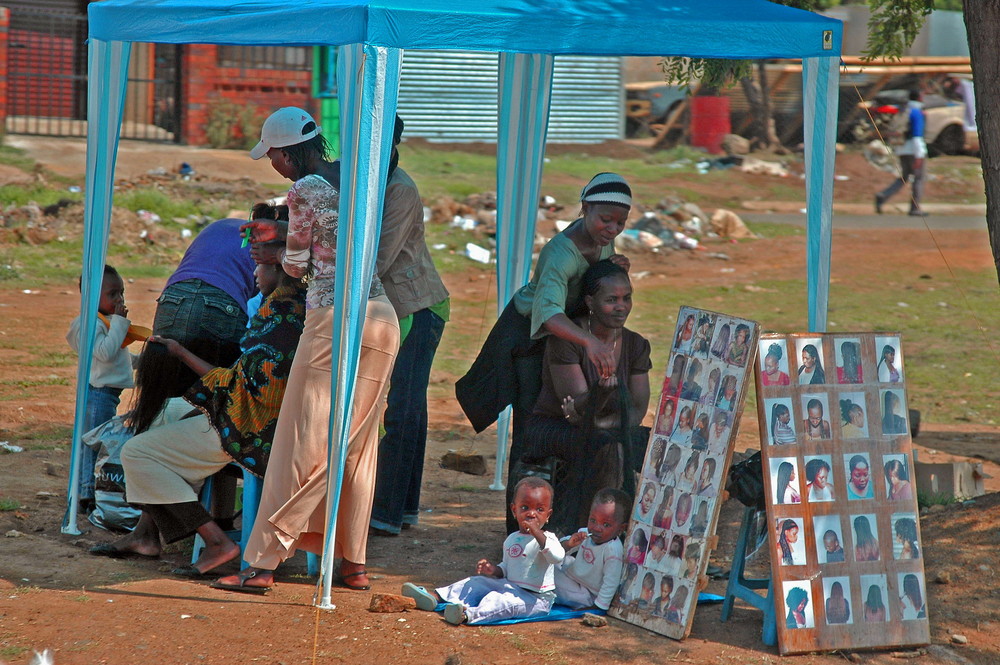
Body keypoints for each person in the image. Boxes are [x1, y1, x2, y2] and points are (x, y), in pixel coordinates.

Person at [216, 107, 400, 593]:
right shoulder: (351, 179)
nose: (273, 164)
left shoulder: (301, 190)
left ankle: (261, 565)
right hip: (381, 316)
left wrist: (278, 246)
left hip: (334, 318)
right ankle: (352, 564)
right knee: (358, 446)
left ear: (283, 153)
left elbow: (297, 269)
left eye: (272, 156)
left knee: (300, 442)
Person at [91, 260, 307, 575]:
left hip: (246, 428)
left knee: (137, 453)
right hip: (237, 410)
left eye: (260, 265)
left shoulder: (280, 323)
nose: (253, 273)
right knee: (159, 416)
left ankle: (217, 540)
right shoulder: (274, 311)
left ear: (278, 268)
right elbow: (236, 379)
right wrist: (179, 353)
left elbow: (248, 393)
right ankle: (146, 534)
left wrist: (202, 389)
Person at [456, 173, 633, 484]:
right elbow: (549, 315)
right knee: (533, 427)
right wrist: (591, 343)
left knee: (565, 417)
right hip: (529, 339)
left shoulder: (604, 237)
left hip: (564, 341)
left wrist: (612, 271)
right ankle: (522, 516)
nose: (613, 229)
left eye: (620, 223)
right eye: (606, 220)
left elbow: (589, 282)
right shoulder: (559, 254)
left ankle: (556, 508)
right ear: (585, 208)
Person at [520, 260, 651, 535]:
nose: (621, 306)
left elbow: (638, 410)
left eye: (627, 298)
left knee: (665, 447)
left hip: (612, 428)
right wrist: (598, 396)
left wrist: (601, 419)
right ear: (590, 301)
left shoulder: (636, 345)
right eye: (611, 300)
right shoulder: (567, 340)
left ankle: (649, 538)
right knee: (607, 447)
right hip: (555, 427)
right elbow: (576, 408)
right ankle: (587, 535)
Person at [371, 116, 450, 537]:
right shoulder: (371, 179)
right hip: (403, 308)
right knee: (409, 411)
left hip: (419, 308)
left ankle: (388, 512)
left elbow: (378, 259)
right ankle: (399, 511)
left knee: (403, 411)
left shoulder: (399, 188)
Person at [403, 477, 564, 624]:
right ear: (514, 511)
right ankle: (436, 598)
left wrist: (537, 533)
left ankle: (467, 615)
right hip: (509, 586)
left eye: (539, 510)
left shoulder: (548, 538)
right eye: (525, 507)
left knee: (500, 601)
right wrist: (494, 570)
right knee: (476, 582)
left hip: (535, 600)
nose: (531, 514)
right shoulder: (512, 539)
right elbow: (507, 569)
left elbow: (557, 557)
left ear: (548, 515)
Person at [66, 264, 145, 512]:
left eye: (121, 292)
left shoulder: (106, 322)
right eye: (113, 294)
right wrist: (120, 323)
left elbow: (118, 358)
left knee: (96, 441)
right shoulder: (89, 324)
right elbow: (104, 352)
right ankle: (86, 493)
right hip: (98, 394)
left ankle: (88, 490)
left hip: (108, 394)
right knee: (93, 443)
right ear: (91, 297)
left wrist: (143, 361)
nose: (120, 299)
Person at [551, 488, 628, 611]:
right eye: (593, 520)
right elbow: (557, 551)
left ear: (621, 529)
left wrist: (597, 607)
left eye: (606, 525)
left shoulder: (612, 550)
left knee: (548, 575)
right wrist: (569, 543)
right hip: (574, 579)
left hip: (587, 595)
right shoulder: (585, 534)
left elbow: (611, 582)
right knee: (551, 559)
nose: (597, 528)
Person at [875, 89, 928, 217]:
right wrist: (919, 155)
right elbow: (917, 135)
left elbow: (884, 110)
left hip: (901, 148)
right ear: (920, 98)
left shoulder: (902, 110)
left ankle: (883, 195)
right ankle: (915, 208)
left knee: (904, 176)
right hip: (914, 150)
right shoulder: (917, 112)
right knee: (919, 178)